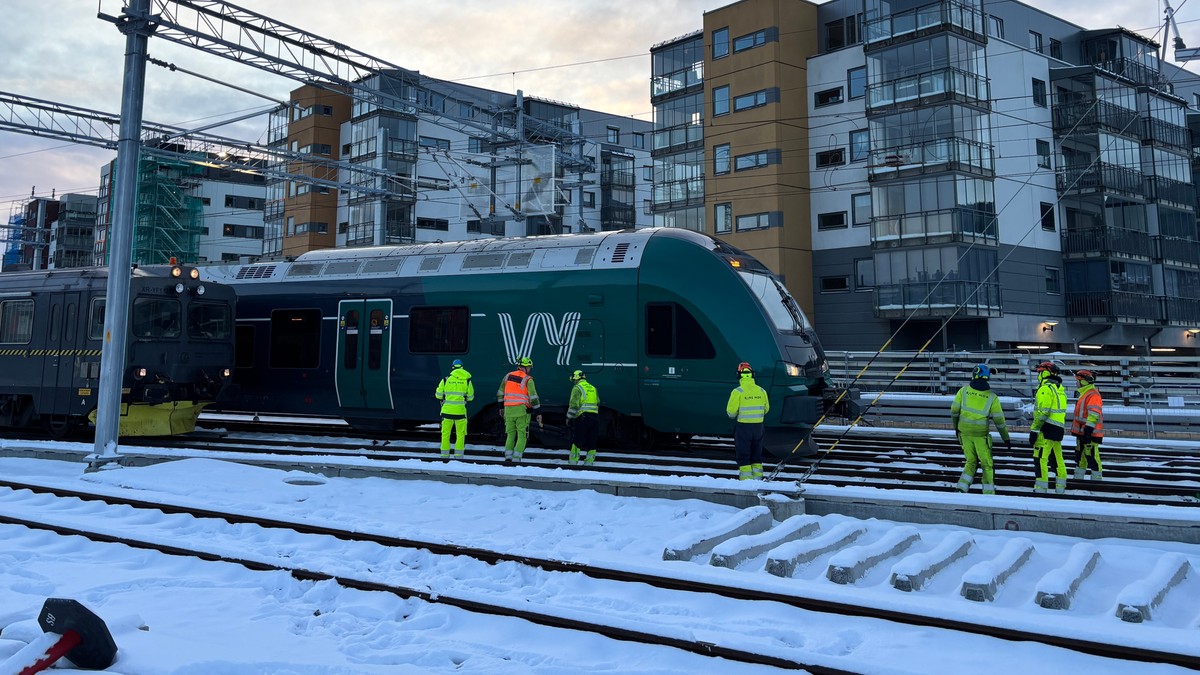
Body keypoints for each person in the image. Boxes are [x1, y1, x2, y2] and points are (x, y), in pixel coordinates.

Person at [950, 364, 1011, 494]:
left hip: (964, 433)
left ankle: (961, 488)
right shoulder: (992, 397)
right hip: (980, 436)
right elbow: (999, 421)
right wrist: (1006, 438)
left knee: (970, 462)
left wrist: (956, 428)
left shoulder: (963, 391)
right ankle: (988, 493)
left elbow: (954, 411)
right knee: (987, 465)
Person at [726, 361, 769, 480]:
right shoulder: (761, 391)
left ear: (739, 375)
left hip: (744, 427)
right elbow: (766, 409)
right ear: (752, 374)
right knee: (756, 456)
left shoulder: (737, 392)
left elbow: (731, 413)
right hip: (759, 427)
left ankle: (746, 482)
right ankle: (758, 480)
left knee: (744, 455)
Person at [1030, 361, 1068, 494]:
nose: (1038, 375)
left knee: (1040, 459)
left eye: (1039, 372)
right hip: (1058, 430)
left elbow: (1043, 412)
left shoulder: (1045, 389)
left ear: (1044, 373)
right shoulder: (1060, 389)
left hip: (1045, 430)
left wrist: (1034, 429)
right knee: (1058, 460)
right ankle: (1060, 489)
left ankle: (1041, 489)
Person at [497, 356, 541, 462]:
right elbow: (533, 397)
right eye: (529, 367)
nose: (530, 369)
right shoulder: (528, 379)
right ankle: (516, 459)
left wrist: (500, 407)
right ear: (525, 367)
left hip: (508, 411)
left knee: (510, 435)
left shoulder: (507, 376)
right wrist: (538, 412)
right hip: (522, 411)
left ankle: (508, 457)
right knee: (522, 436)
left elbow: (500, 393)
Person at [434, 359, 474, 459]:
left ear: (453, 368)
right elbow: (471, 397)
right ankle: (458, 456)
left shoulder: (445, 379)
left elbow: (438, 395)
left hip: (447, 412)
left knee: (445, 434)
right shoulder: (467, 380)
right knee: (460, 435)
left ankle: (444, 455)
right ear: (462, 367)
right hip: (460, 413)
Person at [1070, 369, 1104, 481]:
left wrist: (1088, 430)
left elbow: (1093, 414)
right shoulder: (1086, 393)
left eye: (1078, 380)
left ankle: (1097, 481)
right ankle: (1079, 480)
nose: (1076, 383)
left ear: (1084, 382)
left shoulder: (1092, 394)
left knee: (1092, 456)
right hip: (1084, 432)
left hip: (1090, 433)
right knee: (1081, 457)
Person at [565, 370, 600, 466]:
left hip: (583, 417)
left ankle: (573, 462)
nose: (573, 382)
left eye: (574, 380)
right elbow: (598, 402)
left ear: (576, 379)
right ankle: (589, 462)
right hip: (595, 417)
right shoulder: (593, 388)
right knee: (591, 440)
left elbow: (574, 405)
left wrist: (569, 417)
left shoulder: (577, 388)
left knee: (577, 439)